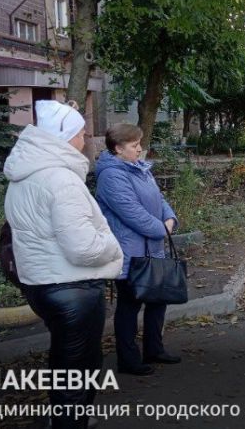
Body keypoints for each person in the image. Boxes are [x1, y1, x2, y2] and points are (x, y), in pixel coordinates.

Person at [3, 100, 123, 428]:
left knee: (66, 362)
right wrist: (113, 245)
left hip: (40, 284)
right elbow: (83, 249)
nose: (85, 139)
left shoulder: (23, 176)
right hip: (73, 289)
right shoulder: (62, 181)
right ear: (66, 137)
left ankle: (64, 417)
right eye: (81, 133)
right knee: (79, 369)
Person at [95, 123, 181, 376]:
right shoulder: (111, 176)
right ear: (118, 148)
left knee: (157, 301)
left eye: (139, 144)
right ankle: (128, 359)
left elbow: (159, 199)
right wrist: (162, 229)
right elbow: (132, 213)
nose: (139, 148)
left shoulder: (139, 168)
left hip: (152, 249)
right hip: (130, 253)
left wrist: (170, 218)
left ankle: (154, 349)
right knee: (130, 306)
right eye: (134, 145)